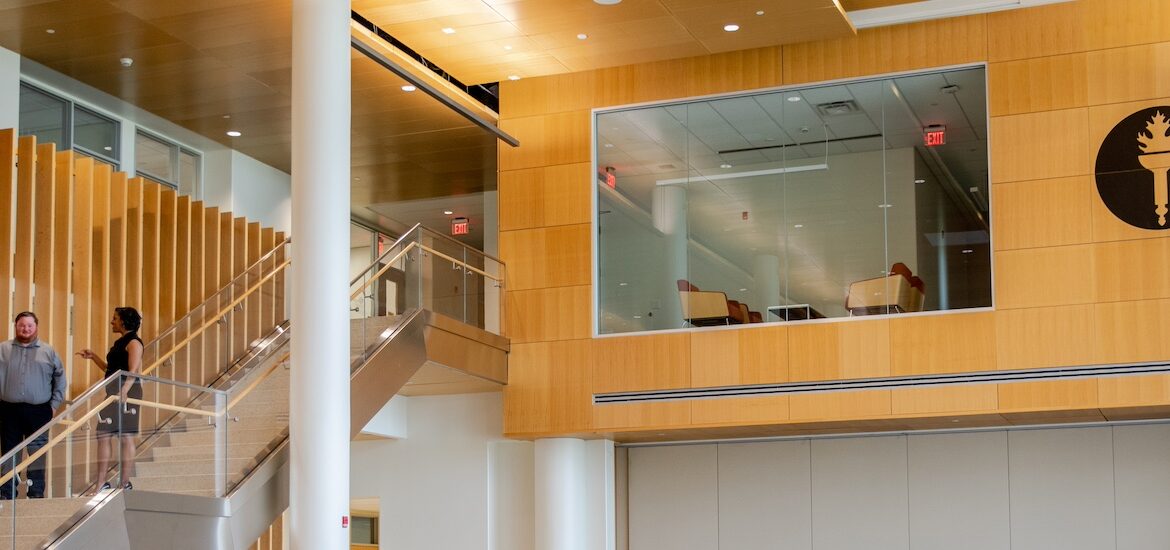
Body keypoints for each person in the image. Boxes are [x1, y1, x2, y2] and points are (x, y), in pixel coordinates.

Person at [0, 311, 66, 499]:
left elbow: (60, 379)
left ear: (36, 327)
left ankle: (36, 492)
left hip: (39, 411)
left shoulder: (48, 351)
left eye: (30, 325)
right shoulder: (2, 349)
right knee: (9, 451)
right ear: (16, 326)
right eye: (22, 325)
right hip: (8, 410)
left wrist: (54, 405)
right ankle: (6, 493)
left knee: (37, 452)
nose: (26, 329)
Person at [76, 307, 143, 492]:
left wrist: (124, 391)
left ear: (123, 321)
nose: (112, 321)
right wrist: (94, 357)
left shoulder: (134, 342)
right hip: (113, 392)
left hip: (128, 393)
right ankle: (101, 482)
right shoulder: (119, 342)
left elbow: (133, 371)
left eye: (115, 318)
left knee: (125, 436)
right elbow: (111, 370)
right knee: (103, 433)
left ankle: (124, 483)